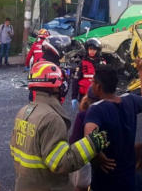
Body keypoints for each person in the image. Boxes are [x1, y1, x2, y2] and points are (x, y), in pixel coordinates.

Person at [10, 61, 110, 191]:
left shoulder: (23, 112)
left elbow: (14, 150)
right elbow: (60, 162)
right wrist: (91, 144)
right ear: (55, 87)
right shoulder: (51, 118)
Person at [84, 53, 142, 191]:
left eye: (93, 81)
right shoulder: (130, 101)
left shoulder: (96, 109)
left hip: (104, 183)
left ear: (98, 87)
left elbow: (89, 139)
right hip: (128, 181)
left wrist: (98, 155)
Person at [69, 86, 100, 191]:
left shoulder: (82, 115)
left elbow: (74, 140)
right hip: (104, 163)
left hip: (86, 160)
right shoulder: (107, 112)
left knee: (82, 184)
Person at [71, 38, 106, 109]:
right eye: (90, 49)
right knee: (83, 115)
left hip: (98, 95)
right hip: (84, 95)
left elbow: (107, 81)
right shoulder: (82, 62)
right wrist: (74, 96)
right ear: (87, 50)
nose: (92, 51)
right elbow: (76, 80)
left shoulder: (103, 62)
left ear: (98, 50)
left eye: (94, 49)